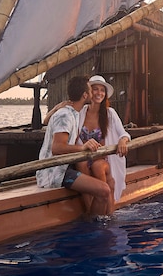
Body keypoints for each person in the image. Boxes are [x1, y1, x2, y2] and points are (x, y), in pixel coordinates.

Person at [36, 76, 114, 217]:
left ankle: (97, 217)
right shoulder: (65, 115)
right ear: (85, 95)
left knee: (107, 185)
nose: (93, 93)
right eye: (90, 90)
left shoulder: (74, 113)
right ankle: (94, 227)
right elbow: (57, 148)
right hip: (54, 173)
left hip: (65, 168)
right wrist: (83, 147)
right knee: (104, 191)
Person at [80, 75, 130, 212]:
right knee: (81, 164)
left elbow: (124, 134)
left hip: (103, 159)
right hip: (82, 159)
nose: (99, 93)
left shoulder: (110, 113)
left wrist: (122, 141)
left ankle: (106, 211)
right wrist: (59, 107)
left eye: (102, 90)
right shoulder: (81, 112)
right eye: (95, 89)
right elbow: (49, 122)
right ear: (89, 92)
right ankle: (90, 209)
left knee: (98, 167)